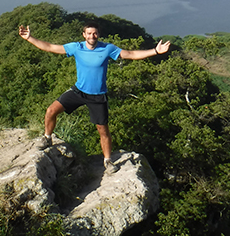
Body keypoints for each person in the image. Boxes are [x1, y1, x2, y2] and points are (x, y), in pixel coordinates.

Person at [19, 22, 171, 174]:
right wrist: (30, 38)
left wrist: (155, 51)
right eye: (89, 33)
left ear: (98, 34)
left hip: (98, 96)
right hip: (78, 91)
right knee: (51, 110)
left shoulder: (107, 49)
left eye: (95, 33)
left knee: (102, 130)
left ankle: (108, 161)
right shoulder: (76, 47)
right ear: (84, 35)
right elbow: (51, 47)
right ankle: (47, 137)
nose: (92, 36)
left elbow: (130, 55)